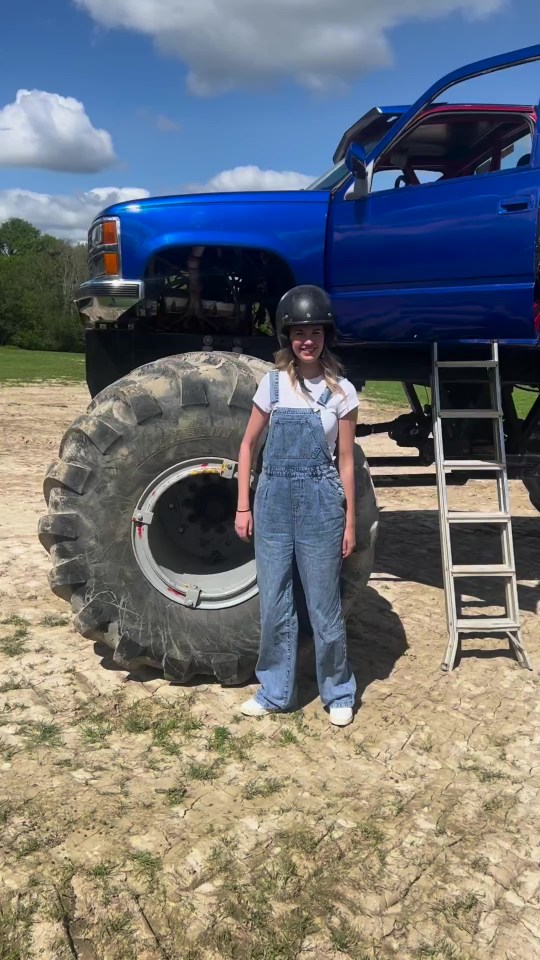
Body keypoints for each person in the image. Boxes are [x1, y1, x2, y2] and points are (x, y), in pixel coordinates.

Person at [235, 285, 359, 726]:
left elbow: (345, 460)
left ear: (327, 335)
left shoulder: (343, 392)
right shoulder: (271, 385)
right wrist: (243, 506)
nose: (307, 340)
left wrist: (349, 521)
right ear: (287, 337)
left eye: (315, 331)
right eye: (299, 332)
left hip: (322, 501)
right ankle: (274, 691)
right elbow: (248, 446)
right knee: (274, 601)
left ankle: (338, 691)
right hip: (271, 502)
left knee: (324, 604)